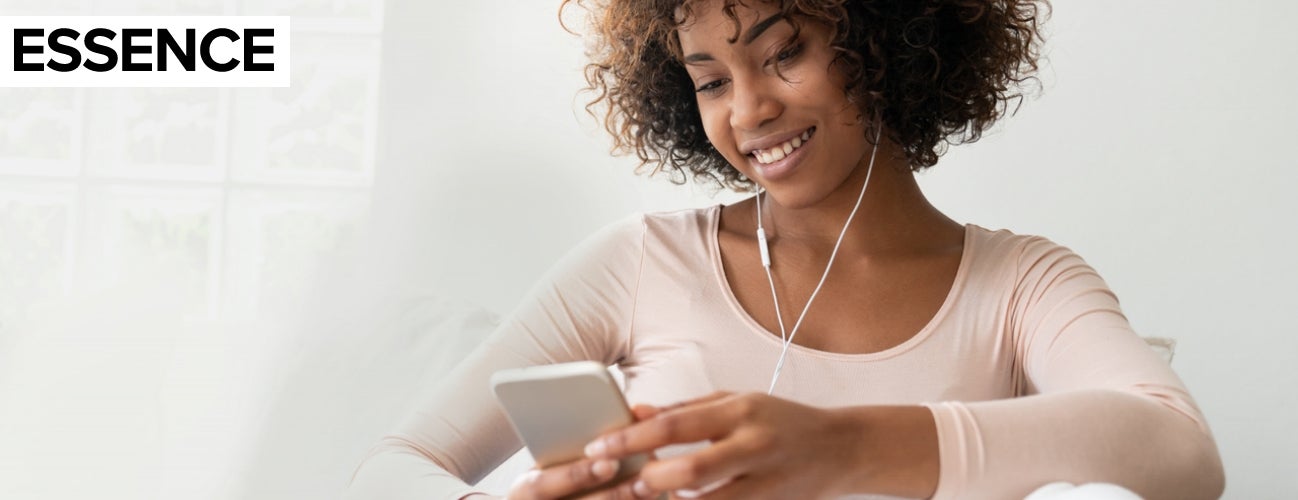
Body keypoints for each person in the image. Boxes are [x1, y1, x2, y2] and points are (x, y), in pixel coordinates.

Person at [345, 0, 1226, 498]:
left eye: (784, 52)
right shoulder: (642, 262)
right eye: (712, 82)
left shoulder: (1020, 285)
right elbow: (390, 469)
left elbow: (1183, 455)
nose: (749, 111)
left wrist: (840, 448)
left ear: (886, 37)